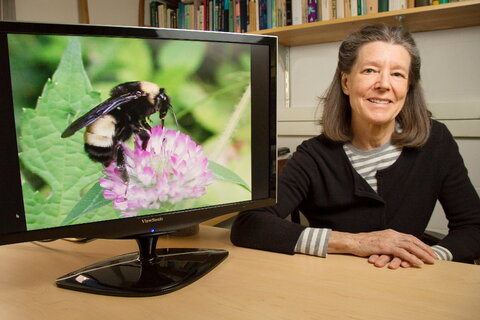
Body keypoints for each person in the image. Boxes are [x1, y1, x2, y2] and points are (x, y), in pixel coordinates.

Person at [230, 24, 480, 269]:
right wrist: (355, 242)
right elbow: (249, 224)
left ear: (408, 87)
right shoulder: (313, 155)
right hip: (339, 290)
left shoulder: (436, 141)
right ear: (346, 82)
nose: (384, 84)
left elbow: (473, 226)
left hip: (412, 286)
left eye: (397, 74)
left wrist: (425, 257)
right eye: (370, 70)